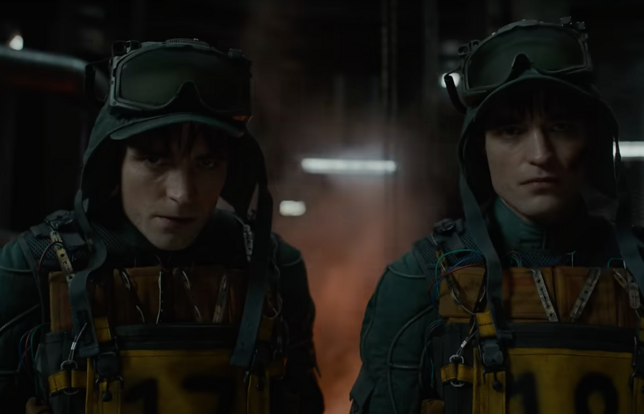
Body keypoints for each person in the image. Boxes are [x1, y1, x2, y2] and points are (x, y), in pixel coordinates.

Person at [0, 38, 324, 414]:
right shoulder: (34, 268)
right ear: (113, 163)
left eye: (206, 163)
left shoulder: (274, 267)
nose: (182, 194)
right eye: (154, 160)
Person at [349, 17, 644, 414]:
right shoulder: (421, 280)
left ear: (591, 142)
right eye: (510, 130)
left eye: (560, 127)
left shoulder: (639, 269)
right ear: (479, 149)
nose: (540, 154)